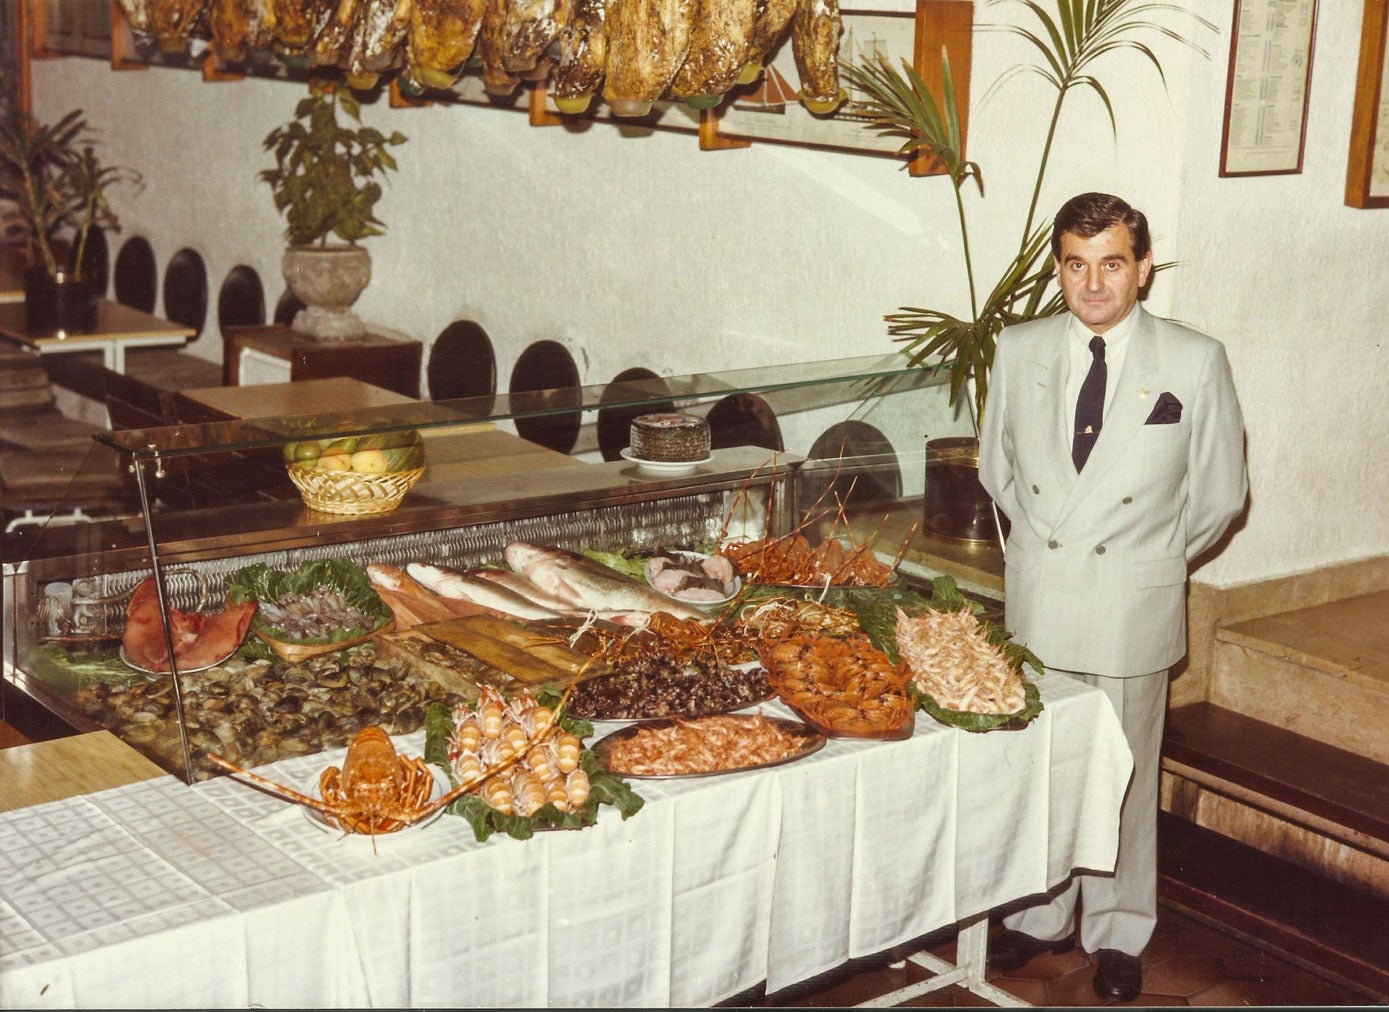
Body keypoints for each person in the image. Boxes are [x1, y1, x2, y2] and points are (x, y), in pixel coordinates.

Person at [977, 192, 1248, 1002]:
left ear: (1142, 268)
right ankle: (1039, 915)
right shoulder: (1017, 349)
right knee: (1046, 770)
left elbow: (1220, 494)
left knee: (1123, 778)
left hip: (1132, 603)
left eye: (1111, 263)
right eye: (1074, 264)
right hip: (1044, 603)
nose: (1092, 283)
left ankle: (1120, 929)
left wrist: (1148, 561)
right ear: (1058, 269)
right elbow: (997, 467)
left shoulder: (1193, 361)